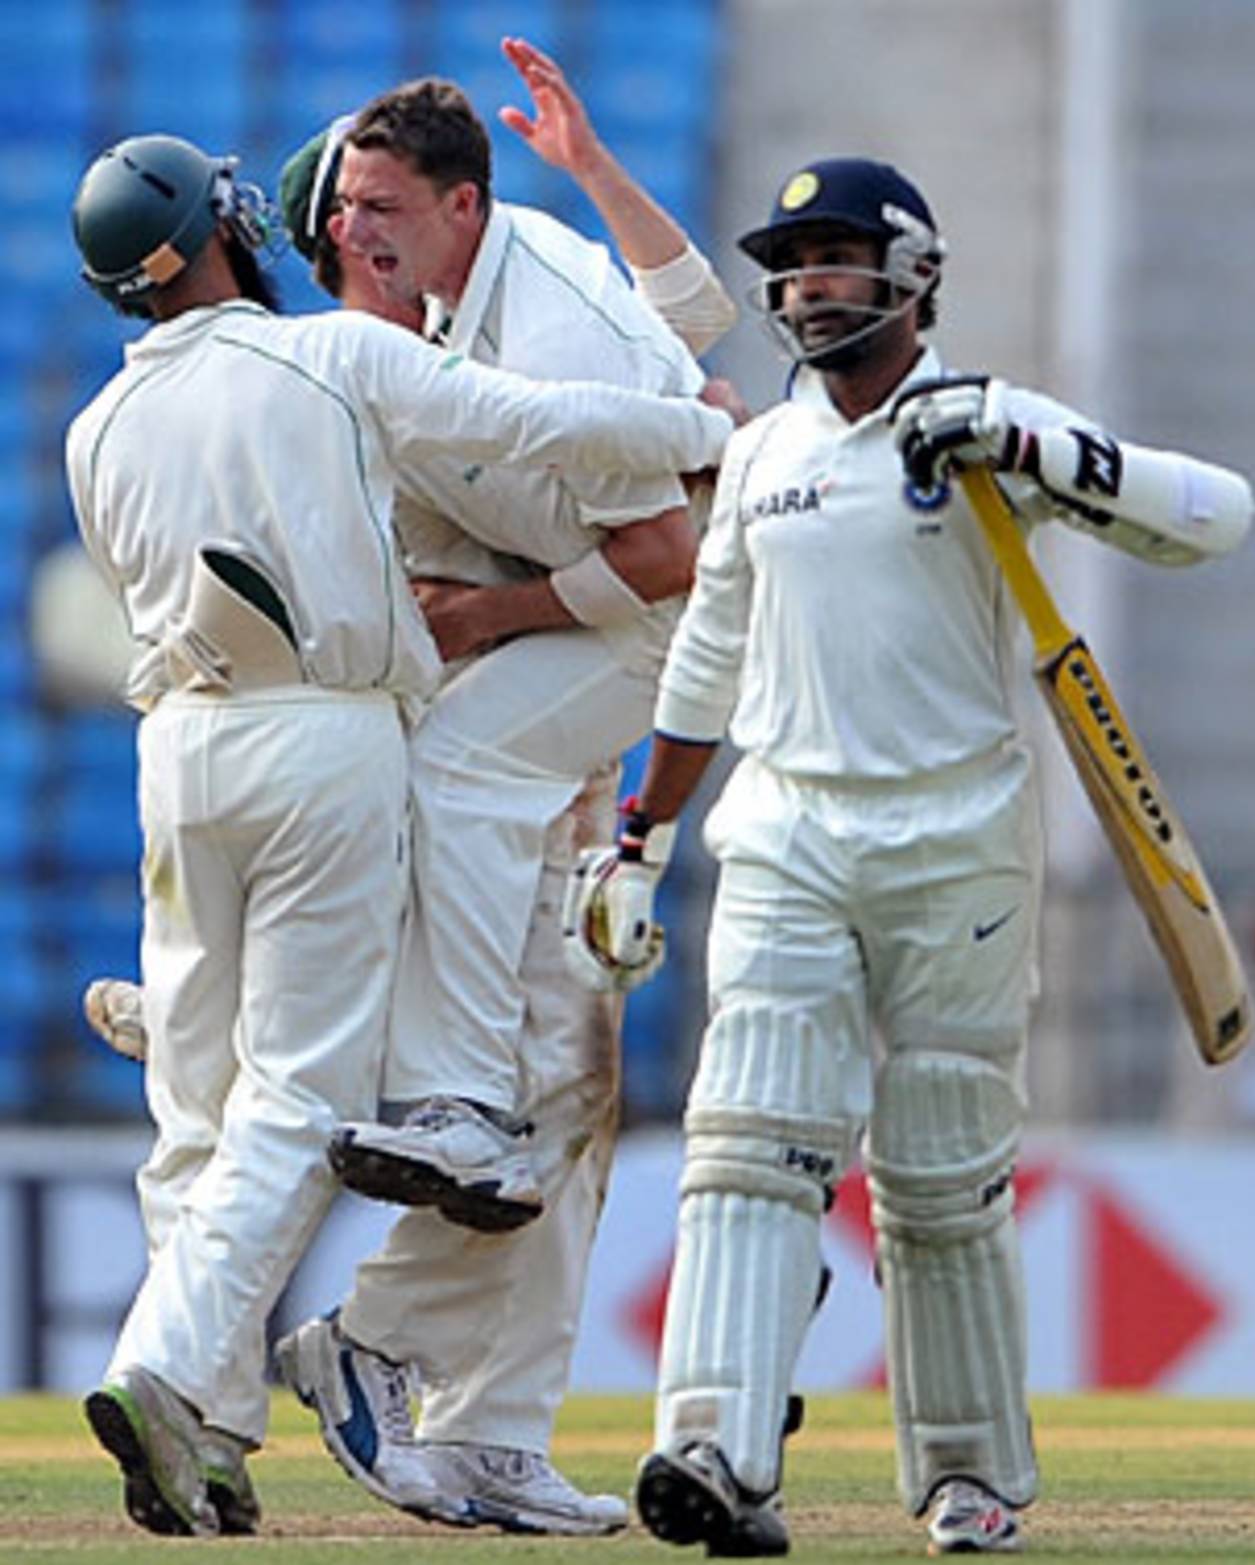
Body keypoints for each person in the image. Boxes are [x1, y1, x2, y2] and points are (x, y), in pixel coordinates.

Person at [82, 42, 740, 1537]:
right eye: (331, 228)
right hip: (446, 717)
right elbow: (660, 351)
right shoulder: (359, 348)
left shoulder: (122, 415)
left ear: (457, 203)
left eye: (375, 212)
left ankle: (412, 1358)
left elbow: (670, 538)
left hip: (600, 660)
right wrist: (704, 409)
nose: (348, 247)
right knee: (522, 1089)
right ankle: (360, 1385)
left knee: (499, 1050)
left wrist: (717, 436)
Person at [564, 156, 1255, 1556]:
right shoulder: (760, 452)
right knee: (748, 1142)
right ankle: (717, 1444)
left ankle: (968, 1474)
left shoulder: (987, 424)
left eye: (838, 255)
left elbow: (1216, 517)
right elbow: (707, 653)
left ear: (915, 274)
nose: (812, 282)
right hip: (787, 833)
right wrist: (642, 832)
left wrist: (1040, 451)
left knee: (941, 1169)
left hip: (958, 841)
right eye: (795, 259)